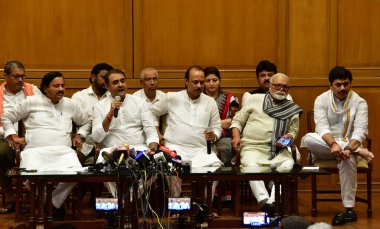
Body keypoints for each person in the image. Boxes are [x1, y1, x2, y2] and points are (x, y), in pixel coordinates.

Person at [2, 71, 90, 220]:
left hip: (64, 152)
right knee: (28, 175)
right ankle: (51, 204)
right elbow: (7, 117)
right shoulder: (30, 102)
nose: (61, 89)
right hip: (34, 151)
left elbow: (86, 121)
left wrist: (79, 135)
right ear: (45, 88)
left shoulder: (71, 104)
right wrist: (13, 135)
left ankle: (51, 203)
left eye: (62, 85)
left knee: (76, 174)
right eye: (56, 86)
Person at [301, 66, 374, 226]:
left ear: (351, 84)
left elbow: (361, 131)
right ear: (331, 85)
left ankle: (349, 209)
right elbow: (321, 127)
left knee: (347, 158)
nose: (342, 88)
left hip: (348, 147)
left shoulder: (360, 102)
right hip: (325, 147)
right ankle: (357, 151)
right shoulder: (321, 99)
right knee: (308, 139)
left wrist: (347, 148)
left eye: (346, 84)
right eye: (338, 84)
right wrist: (334, 144)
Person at [230, 73, 302, 215]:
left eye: (285, 87)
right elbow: (237, 121)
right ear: (270, 86)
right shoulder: (254, 99)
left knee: (288, 164)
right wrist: (236, 136)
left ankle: (272, 202)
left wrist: (286, 139)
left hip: (277, 150)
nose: (281, 89)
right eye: (277, 85)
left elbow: (293, 133)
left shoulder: (292, 108)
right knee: (250, 167)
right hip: (252, 147)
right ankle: (263, 200)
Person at [150, 65, 222, 197]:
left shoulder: (210, 102)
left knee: (216, 166)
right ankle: (177, 203)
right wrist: (157, 132)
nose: (199, 86)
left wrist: (215, 135)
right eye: (195, 82)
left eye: (201, 82)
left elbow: (217, 127)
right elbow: (151, 112)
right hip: (175, 149)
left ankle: (205, 203)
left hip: (201, 150)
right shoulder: (172, 97)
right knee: (171, 167)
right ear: (186, 82)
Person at [92, 69, 159, 196]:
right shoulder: (99, 106)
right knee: (101, 164)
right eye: (115, 82)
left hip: (138, 150)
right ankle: (124, 201)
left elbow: (151, 131)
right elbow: (96, 137)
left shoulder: (139, 103)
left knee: (155, 168)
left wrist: (153, 150)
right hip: (112, 151)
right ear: (107, 86)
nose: (121, 85)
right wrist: (110, 114)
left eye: (122, 81)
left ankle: (126, 200)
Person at [0, 60, 41, 214]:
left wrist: (27, 137)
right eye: (16, 76)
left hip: (31, 136)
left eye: (23, 76)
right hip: (6, 138)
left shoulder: (33, 90)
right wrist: (11, 135)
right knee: (1, 153)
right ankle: (11, 198)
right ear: (5, 76)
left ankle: (36, 198)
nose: (20, 80)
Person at [71, 63, 113, 164]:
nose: (106, 81)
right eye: (103, 77)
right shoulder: (79, 97)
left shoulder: (113, 98)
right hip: (84, 145)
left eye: (108, 78)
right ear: (93, 77)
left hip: (108, 144)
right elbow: (75, 121)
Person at [203, 66, 239, 165]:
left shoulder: (231, 99)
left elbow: (235, 121)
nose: (211, 84)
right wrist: (223, 122)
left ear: (219, 81)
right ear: (203, 83)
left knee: (227, 146)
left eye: (215, 80)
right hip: (204, 136)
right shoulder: (199, 99)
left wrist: (215, 124)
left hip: (225, 136)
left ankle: (223, 177)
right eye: (207, 81)